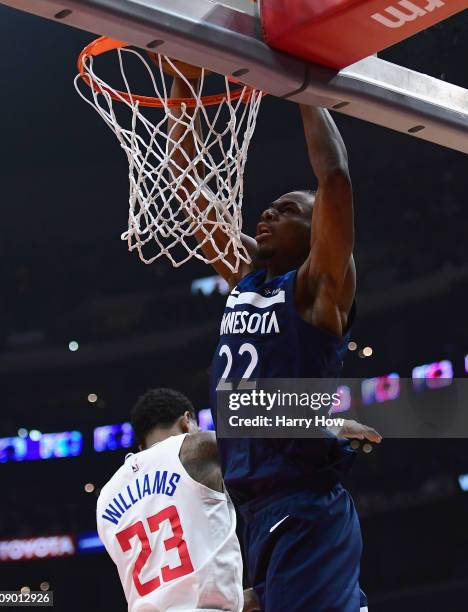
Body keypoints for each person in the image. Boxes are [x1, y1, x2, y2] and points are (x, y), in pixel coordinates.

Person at [168, 73, 381, 612]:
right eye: (268, 207)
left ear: (316, 234)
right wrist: (177, 80)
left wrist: (300, 84)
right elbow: (189, 186)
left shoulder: (318, 290)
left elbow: (334, 177)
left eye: (287, 210)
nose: (266, 212)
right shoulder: (246, 277)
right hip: (257, 511)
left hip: (306, 507)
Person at [97, 388, 259, 612]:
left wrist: (249, 598)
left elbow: (174, 595)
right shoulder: (196, 448)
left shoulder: (105, 497)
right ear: (187, 422)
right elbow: (275, 427)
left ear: (141, 446)